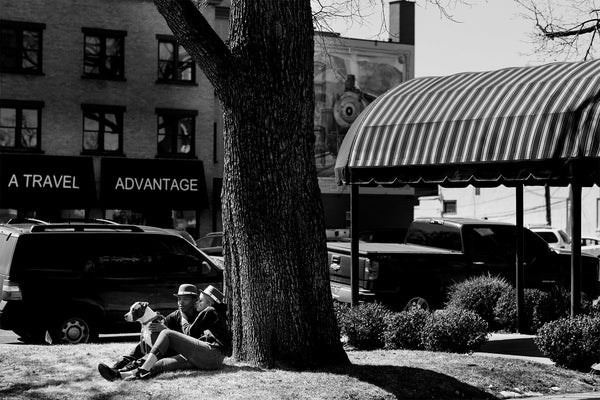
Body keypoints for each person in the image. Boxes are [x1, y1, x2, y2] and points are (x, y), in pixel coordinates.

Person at [98, 283, 231, 381]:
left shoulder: (207, 312)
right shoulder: (175, 315)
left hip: (206, 353)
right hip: (192, 355)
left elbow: (188, 334)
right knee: (159, 363)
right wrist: (155, 322)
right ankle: (119, 373)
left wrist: (167, 329)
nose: (180, 302)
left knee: (166, 334)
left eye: (185, 299)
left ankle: (143, 368)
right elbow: (157, 337)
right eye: (178, 299)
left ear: (195, 300)